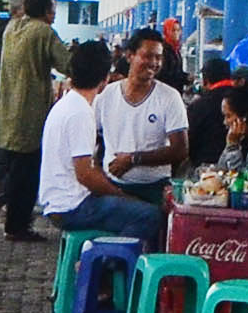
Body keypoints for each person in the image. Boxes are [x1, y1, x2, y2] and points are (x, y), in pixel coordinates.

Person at [39, 40, 168, 250]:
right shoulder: (80, 113)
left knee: (129, 207)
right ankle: (103, 265)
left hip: (57, 200)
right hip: (72, 207)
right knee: (150, 215)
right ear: (104, 79)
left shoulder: (65, 104)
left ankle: (101, 258)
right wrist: (120, 194)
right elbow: (85, 174)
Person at [0, 0, 65, 241]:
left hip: (7, 111)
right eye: (52, 8)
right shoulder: (43, 32)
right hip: (30, 115)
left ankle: (15, 221)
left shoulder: (13, 28)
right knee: (28, 176)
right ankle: (18, 226)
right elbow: (66, 64)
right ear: (45, 9)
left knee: (14, 173)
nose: (54, 14)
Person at [96, 30, 190, 202]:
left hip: (154, 188)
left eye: (158, 57)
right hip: (111, 185)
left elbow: (180, 150)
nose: (154, 63)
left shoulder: (169, 97)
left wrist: (134, 159)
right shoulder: (106, 95)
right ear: (129, 56)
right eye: (147, 56)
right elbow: (90, 136)